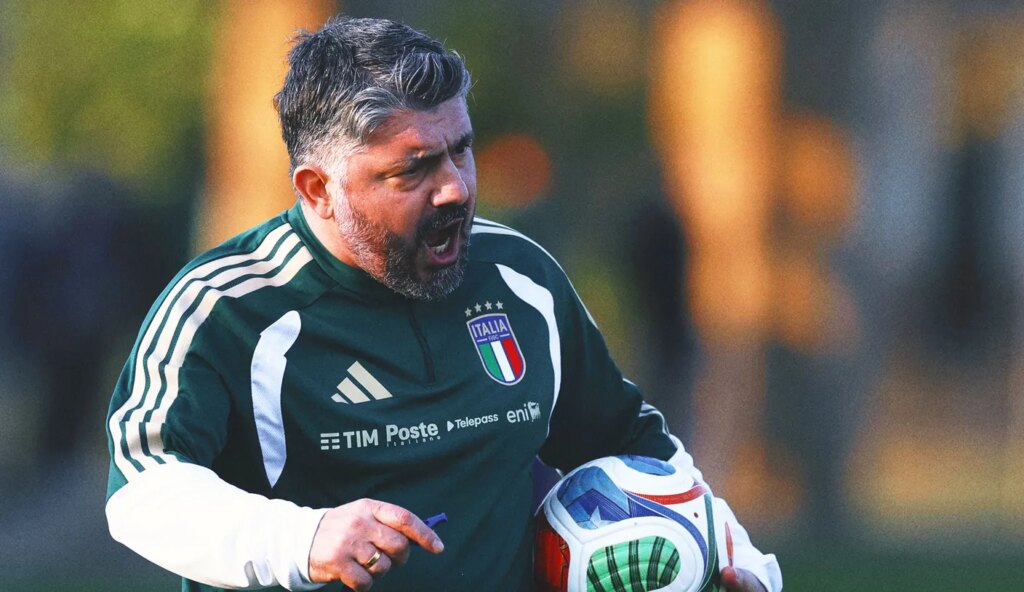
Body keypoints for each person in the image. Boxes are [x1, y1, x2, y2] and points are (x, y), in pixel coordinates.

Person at [104, 16, 782, 592]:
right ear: (317, 190)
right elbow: (142, 492)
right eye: (413, 169)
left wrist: (739, 560)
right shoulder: (226, 308)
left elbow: (633, 446)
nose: (455, 187)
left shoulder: (520, 279)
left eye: (461, 151)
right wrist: (302, 538)